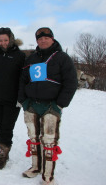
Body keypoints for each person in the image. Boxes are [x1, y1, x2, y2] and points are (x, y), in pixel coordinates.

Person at [17, 27, 77, 185]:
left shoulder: (62, 58)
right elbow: (22, 80)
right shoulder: (31, 59)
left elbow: (71, 82)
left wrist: (60, 103)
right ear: (37, 40)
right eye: (39, 38)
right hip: (31, 105)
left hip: (52, 105)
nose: (43, 41)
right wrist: (23, 101)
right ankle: (36, 167)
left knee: (49, 141)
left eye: (46, 38)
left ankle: (48, 176)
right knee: (33, 138)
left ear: (52, 38)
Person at [0, 27, 26, 170]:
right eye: (0, 40)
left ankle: (1, 157)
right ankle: (2, 153)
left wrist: (21, 97)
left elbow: (23, 79)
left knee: (6, 129)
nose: (3, 43)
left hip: (12, 100)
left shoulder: (20, 56)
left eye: (5, 40)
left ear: (11, 40)